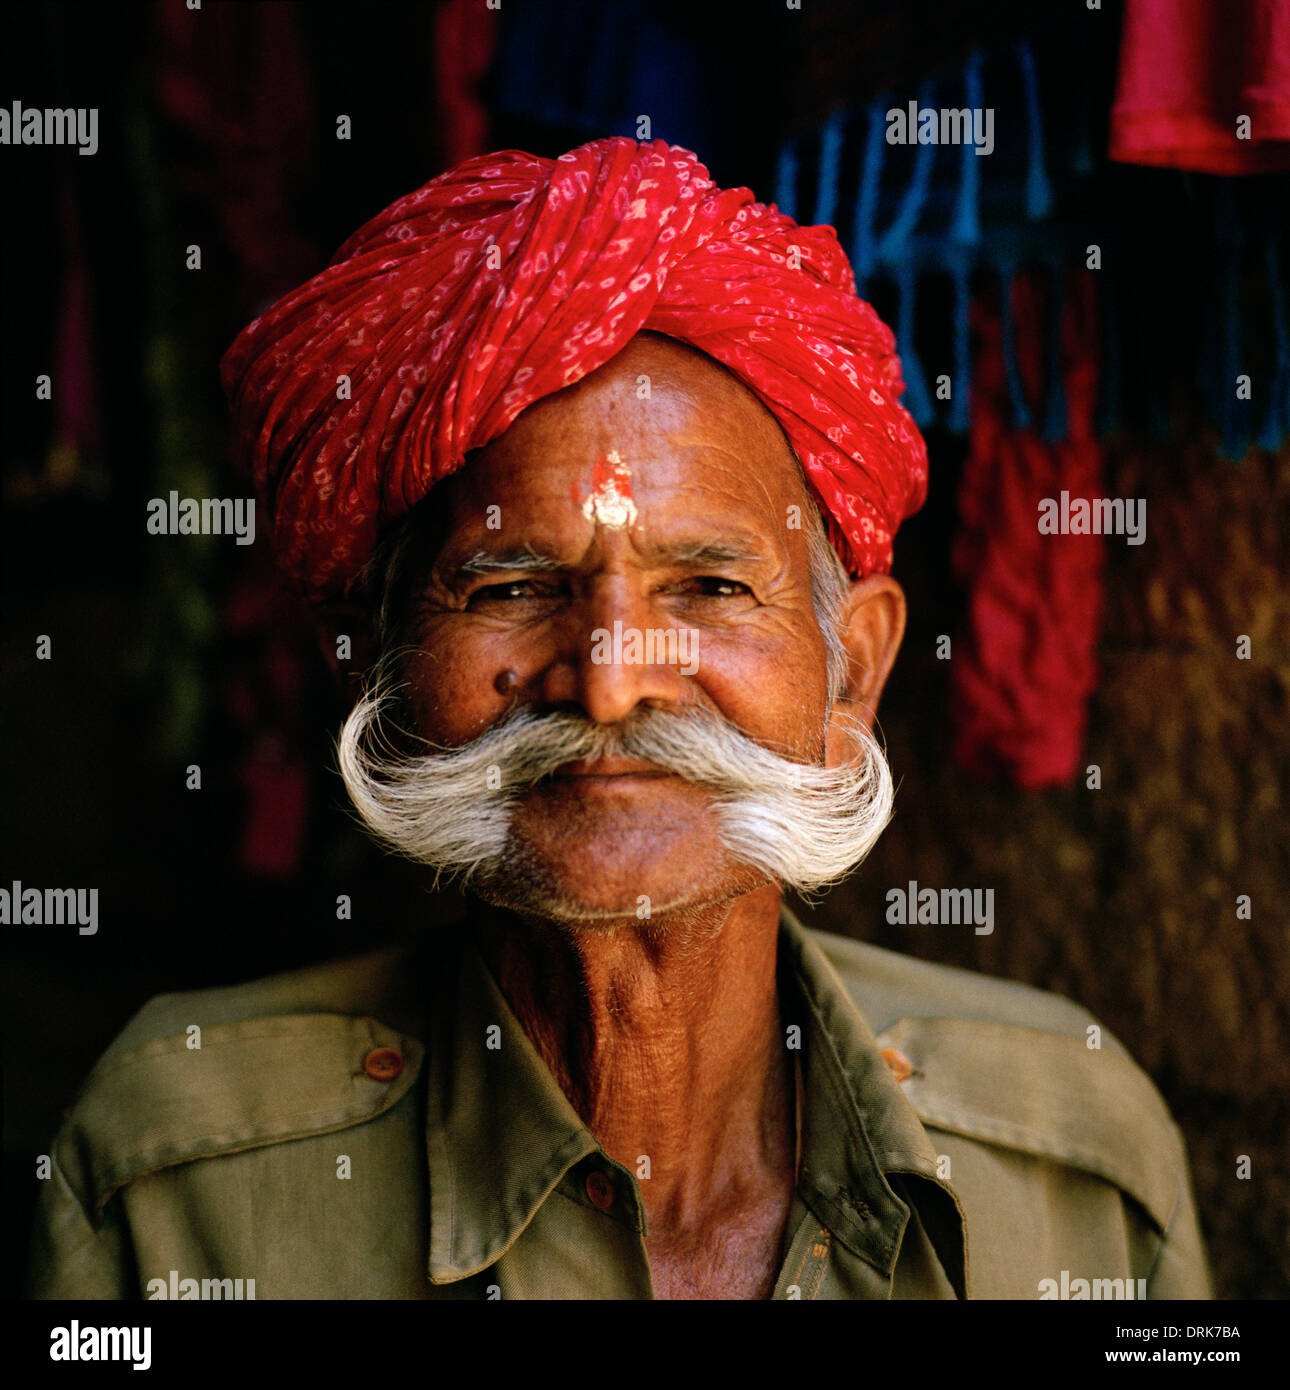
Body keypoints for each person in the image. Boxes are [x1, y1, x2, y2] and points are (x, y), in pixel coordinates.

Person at [29, 138, 1211, 1300]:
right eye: (511, 588)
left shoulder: (1076, 1163)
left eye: (706, 587)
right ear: (376, 668)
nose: (609, 683)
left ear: (853, 669)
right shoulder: (174, 1184)